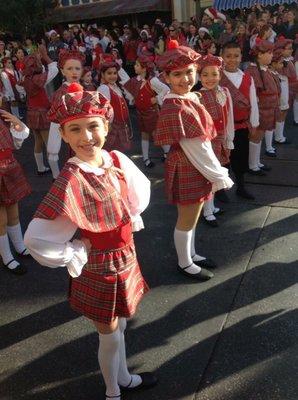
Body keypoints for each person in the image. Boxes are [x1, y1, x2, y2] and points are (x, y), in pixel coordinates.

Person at [24, 83, 156, 400]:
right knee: (108, 334)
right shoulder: (71, 179)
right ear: (65, 135)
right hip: (99, 265)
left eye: (93, 126)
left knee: (122, 325)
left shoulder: (115, 160)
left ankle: (123, 377)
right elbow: (36, 238)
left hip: (125, 255)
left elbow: (138, 194)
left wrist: (130, 217)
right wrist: (74, 250)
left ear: (106, 126)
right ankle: (112, 392)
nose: (87, 137)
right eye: (76, 129)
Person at [154, 40, 233, 281]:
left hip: (190, 164)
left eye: (189, 72)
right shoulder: (179, 105)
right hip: (190, 165)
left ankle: (191, 254)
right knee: (187, 219)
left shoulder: (184, 98)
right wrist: (219, 175)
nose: (186, 79)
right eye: (177, 74)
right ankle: (185, 262)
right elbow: (197, 147)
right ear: (167, 77)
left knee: (191, 216)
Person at [198, 55, 234, 225]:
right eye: (205, 75)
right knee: (208, 175)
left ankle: (211, 207)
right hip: (205, 142)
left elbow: (229, 115)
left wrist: (229, 137)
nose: (210, 79)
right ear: (199, 77)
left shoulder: (224, 92)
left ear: (220, 75)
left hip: (220, 138)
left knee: (216, 171)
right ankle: (206, 211)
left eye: (214, 74)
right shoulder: (197, 96)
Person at [221, 41, 259, 200]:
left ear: (241, 57)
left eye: (236, 56)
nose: (232, 59)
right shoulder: (216, 77)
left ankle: (241, 186)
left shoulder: (247, 78)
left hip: (242, 126)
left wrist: (254, 123)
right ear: (222, 57)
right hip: (222, 128)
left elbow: (253, 102)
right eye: (228, 56)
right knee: (223, 159)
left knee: (241, 157)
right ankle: (220, 190)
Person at [119, 56, 170, 167]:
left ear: (144, 68)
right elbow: (127, 84)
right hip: (141, 112)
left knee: (157, 134)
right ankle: (146, 159)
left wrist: (156, 98)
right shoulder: (135, 80)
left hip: (152, 112)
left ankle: (168, 153)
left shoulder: (152, 80)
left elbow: (166, 89)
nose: (134, 66)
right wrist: (119, 68)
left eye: (137, 65)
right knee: (144, 134)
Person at [0, 109, 31, 275]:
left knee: (13, 215)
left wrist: (16, 124)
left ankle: (19, 247)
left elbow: (17, 143)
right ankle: (6, 257)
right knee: (1, 221)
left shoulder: (2, 117)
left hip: (10, 168)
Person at [47, 49, 85, 180]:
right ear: (63, 71)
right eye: (69, 68)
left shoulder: (83, 87)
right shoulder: (61, 93)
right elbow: (55, 122)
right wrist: (53, 148)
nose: (74, 72)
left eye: (77, 68)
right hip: (69, 133)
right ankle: (58, 176)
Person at [23, 45, 59, 175]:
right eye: (37, 61)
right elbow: (54, 70)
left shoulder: (27, 79)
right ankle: (56, 174)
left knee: (38, 140)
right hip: (41, 113)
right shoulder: (38, 79)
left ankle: (40, 168)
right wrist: (45, 55)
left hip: (31, 112)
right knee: (49, 143)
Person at [246, 39, 280, 172]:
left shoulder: (263, 70)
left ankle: (256, 162)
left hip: (267, 110)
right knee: (256, 136)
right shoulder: (254, 71)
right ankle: (252, 165)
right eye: (269, 52)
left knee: (259, 137)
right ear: (260, 54)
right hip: (260, 111)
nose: (272, 55)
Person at [97, 55, 132, 153]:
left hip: (122, 125)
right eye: (109, 73)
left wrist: (118, 67)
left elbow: (127, 80)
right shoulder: (104, 88)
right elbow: (103, 110)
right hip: (112, 127)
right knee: (112, 152)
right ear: (103, 75)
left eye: (115, 73)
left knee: (120, 152)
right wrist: (107, 125)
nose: (113, 76)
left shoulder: (117, 87)